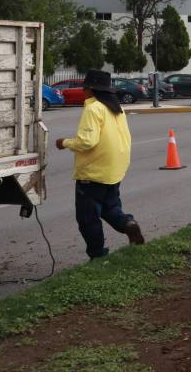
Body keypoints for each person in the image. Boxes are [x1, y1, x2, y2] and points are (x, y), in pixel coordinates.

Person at [56, 69, 144, 259]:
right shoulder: (115, 107)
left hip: (93, 172)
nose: (83, 91)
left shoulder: (93, 108)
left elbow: (87, 141)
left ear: (90, 90)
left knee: (88, 217)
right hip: (114, 170)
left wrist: (64, 143)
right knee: (109, 207)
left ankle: (97, 254)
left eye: (84, 88)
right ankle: (127, 224)